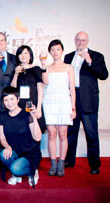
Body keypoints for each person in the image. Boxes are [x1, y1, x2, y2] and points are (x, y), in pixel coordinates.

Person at [64, 31, 108, 174]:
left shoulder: (96, 56)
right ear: (75, 40)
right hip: (72, 97)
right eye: (78, 40)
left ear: (88, 41)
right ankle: (69, 161)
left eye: (83, 40)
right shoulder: (68, 56)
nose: (81, 42)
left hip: (88, 99)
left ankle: (94, 165)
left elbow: (104, 75)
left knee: (91, 133)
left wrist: (90, 61)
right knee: (71, 132)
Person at [41, 39, 76, 177]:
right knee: (51, 134)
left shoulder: (68, 67)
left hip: (64, 102)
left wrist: (73, 108)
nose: (55, 52)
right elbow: (45, 82)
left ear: (62, 51)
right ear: (50, 52)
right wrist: (43, 65)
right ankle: (53, 163)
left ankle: (61, 163)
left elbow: (72, 89)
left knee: (63, 134)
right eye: (53, 50)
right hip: (49, 101)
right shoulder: (47, 67)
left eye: (58, 49)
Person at [0, 87, 42, 187]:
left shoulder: (27, 114)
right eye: (6, 100)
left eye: (12, 99)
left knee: (16, 169)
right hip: (14, 152)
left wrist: (34, 118)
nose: (9, 103)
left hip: (29, 153)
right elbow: (2, 138)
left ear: (18, 99)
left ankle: (33, 170)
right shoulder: (3, 116)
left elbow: (37, 138)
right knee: (3, 155)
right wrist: (7, 147)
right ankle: (16, 174)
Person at [10, 45, 46, 133]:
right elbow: (12, 89)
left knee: (34, 130)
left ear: (30, 55)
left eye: (26, 53)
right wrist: (15, 74)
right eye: (21, 53)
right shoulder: (15, 70)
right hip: (19, 104)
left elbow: (40, 89)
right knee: (21, 131)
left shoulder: (36, 69)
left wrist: (38, 108)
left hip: (31, 103)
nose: (23, 55)